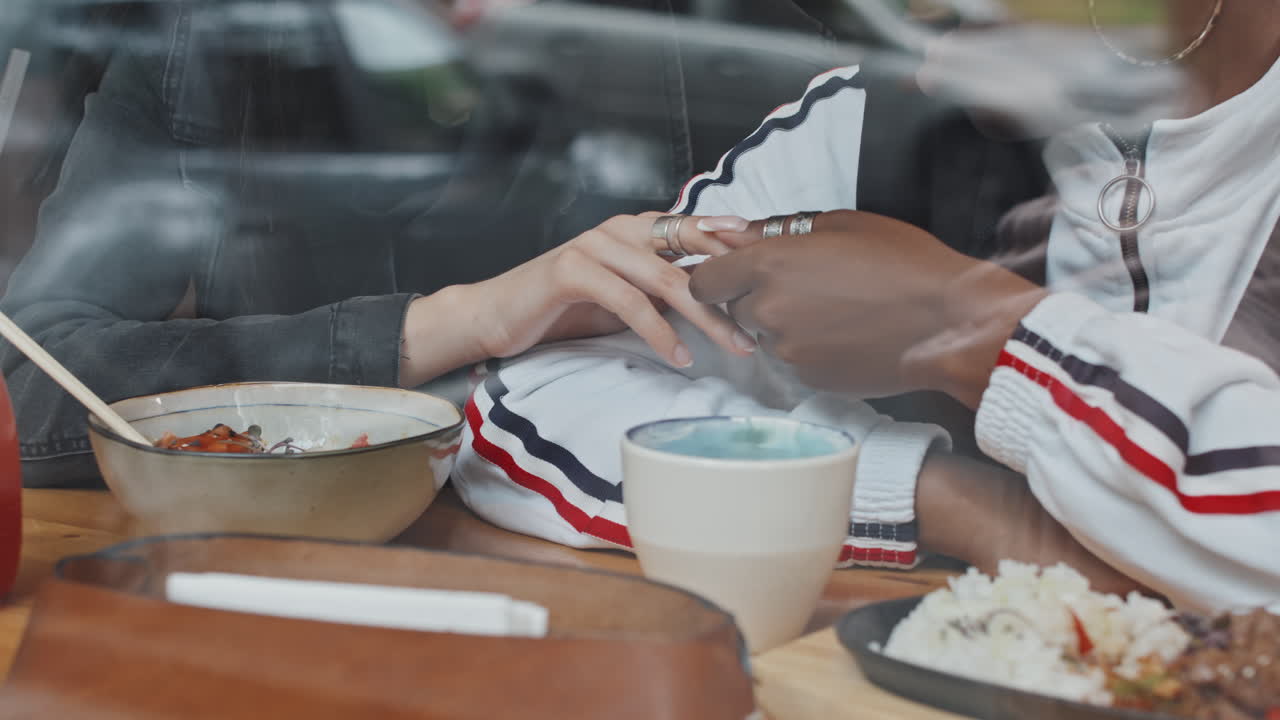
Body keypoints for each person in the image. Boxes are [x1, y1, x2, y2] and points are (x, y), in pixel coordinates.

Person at [453, 0, 1280, 612]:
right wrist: (958, 503)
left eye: (968, 14)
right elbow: (534, 408)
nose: (923, 63)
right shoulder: (866, 126)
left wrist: (972, 332)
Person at [0, 1, 757, 488]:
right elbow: (32, 385)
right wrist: (454, 324)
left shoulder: (707, 38)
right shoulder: (213, 40)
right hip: (296, 557)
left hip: (638, 547)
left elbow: (807, 349)